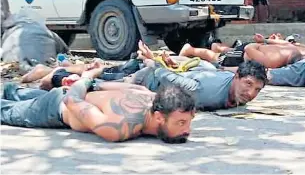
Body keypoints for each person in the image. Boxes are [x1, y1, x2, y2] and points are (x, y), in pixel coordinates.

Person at [1, 76, 196, 143]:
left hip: (73, 95)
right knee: (6, 112)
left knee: (16, 94)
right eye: (181, 123)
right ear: (160, 117)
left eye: (187, 122)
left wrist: (93, 85)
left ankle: (13, 90)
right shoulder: (119, 126)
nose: (187, 130)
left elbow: (136, 88)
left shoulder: (151, 98)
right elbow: (71, 100)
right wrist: (85, 80)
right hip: (56, 107)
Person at [126, 60, 268, 111]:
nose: (251, 94)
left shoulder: (231, 80)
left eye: (257, 89)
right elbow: (169, 78)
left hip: (178, 73)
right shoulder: (206, 94)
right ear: (237, 77)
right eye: (248, 84)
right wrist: (154, 65)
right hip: (147, 80)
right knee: (111, 83)